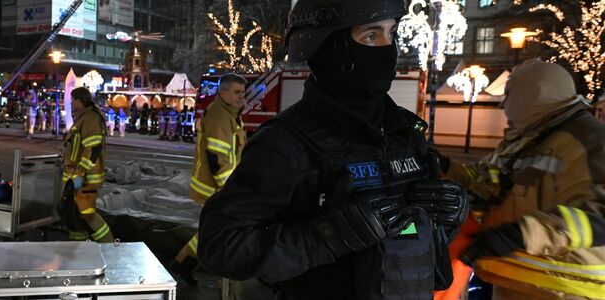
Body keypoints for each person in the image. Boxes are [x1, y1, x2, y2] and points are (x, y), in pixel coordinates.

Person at [196, 1, 470, 298]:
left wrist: (445, 219)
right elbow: (220, 247)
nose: (387, 48)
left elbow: (410, 239)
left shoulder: (405, 133)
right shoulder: (287, 142)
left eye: (391, 34)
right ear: (328, 45)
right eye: (370, 35)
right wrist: (323, 238)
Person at [439, 60, 605, 299]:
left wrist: (523, 234)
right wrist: (443, 165)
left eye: (508, 94)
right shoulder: (529, 138)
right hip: (519, 279)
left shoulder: (591, 141)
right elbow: (486, 180)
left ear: (534, 93)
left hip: (567, 289)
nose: (503, 104)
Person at [168, 74, 248, 285]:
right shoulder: (220, 116)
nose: (242, 96)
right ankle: (222, 277)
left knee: (213, 229)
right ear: (223, 93)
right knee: (225, 229)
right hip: (217, 186)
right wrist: (228, 189)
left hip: (221, 185)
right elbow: (217, 156)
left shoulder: (230, 114)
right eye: (237, 92)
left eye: (243, 92)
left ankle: (182, 263)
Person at [60, 87, 114, 242]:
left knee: (87, 214)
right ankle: (78, 249)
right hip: (79, 177)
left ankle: (110, 246)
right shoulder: (84, 117)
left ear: (80, 100)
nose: (70, 102)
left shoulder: (89, 118)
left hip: (85, 178)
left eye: (72, 99)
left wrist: (79, 173)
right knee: (75, 214)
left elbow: (93, 149)